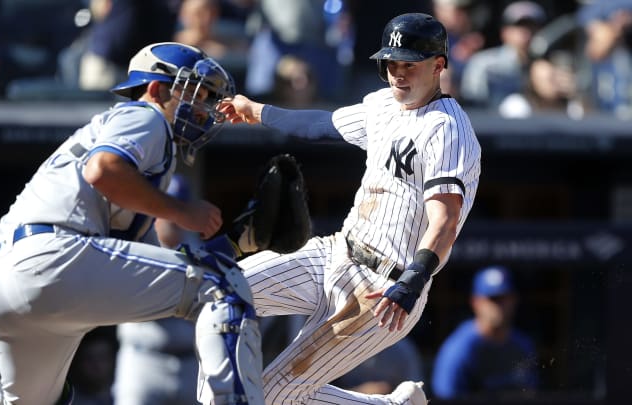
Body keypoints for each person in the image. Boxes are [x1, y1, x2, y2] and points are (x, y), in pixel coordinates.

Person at [0, 42, 266, 405]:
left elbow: (145, 264)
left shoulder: (130, 138)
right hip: (53, 257)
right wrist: (182, 211)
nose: (204, 109)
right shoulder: (147, 117)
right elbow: (103, 170)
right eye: (196, 93)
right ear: (155, 88)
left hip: (5, 272)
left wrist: (234, 245)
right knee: (219, 283)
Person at [219, 12, 481, 405]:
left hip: (382, 290)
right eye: (391, 63)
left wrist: (411, 282)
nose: (398, 74)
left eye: (409, 64)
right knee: (219, 290)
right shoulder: (382, 105)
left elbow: (444, 222)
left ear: (439, 65)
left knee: (273, 396)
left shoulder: (447, 130)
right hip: (336, 252)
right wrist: (256, 111)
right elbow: (323, 125)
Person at [112, 174, 200, 405]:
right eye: (167, 208)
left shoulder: (200, 251)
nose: (173, 218)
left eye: (179, 208)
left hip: (191, 362)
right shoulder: (134, 245)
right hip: (144, 360)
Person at [431, 265, 539, 399]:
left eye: (503, 298)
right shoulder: (459, 349)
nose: (499, 306)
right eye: (492, 299)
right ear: (475, 302)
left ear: (514, 300)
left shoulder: (523, 345)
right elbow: (445, 398)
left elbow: (532, 394)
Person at [460, 1, 547, 109]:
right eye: (519, 27)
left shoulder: (549, 67)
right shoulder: (484, 64)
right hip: (492, 124)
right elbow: (473, 106)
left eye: (532, 27)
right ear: (504, 32)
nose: (527, 34)